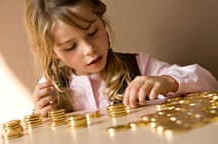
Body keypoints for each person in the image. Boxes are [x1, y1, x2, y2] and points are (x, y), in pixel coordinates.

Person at [25, 0, 218, 117]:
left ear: (102, 21)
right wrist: (41, 116)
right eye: (70, 46)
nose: (89, 50)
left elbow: (207, 81)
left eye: (92, 32)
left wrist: (169, 81)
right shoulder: (51, 89)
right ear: (52, 51)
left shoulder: (139, 66)